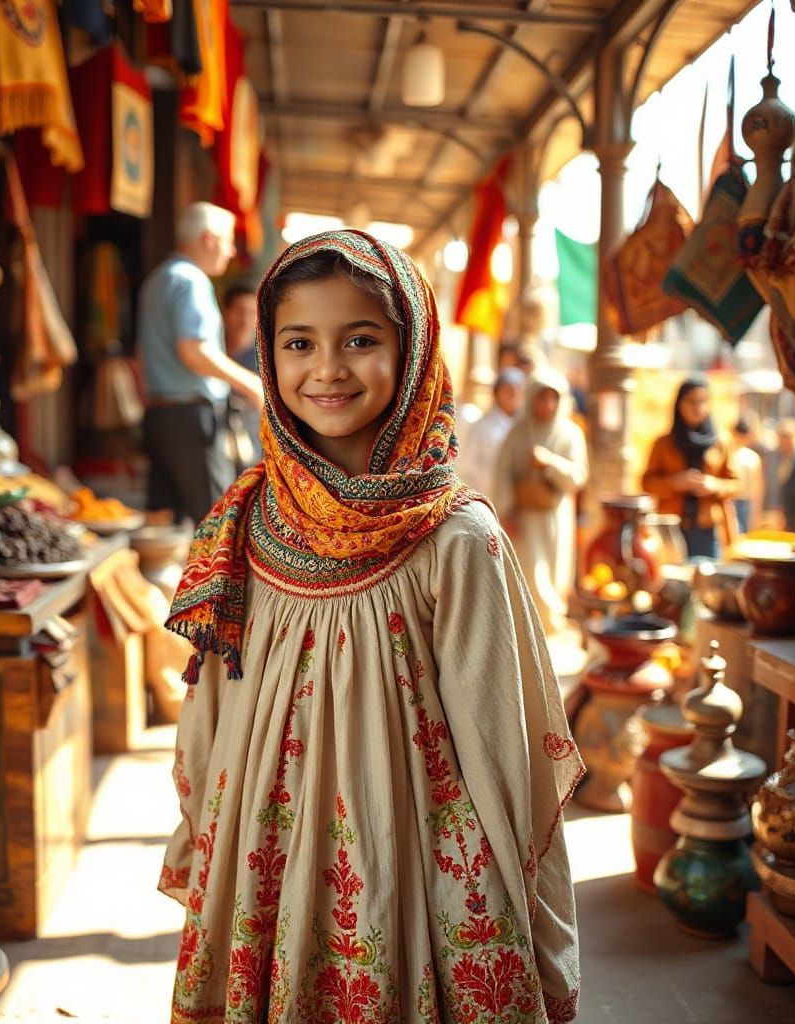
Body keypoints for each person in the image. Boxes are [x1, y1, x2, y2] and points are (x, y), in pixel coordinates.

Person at [159, 231, 582, 1022]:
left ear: (414, 348)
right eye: (299, 342)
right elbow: (211, 708)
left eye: (360, 339)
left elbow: (501, 743)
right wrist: (208, 840)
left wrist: (520, 913)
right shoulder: (243, 523)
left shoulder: (456, 539)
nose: (327, 367)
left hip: (410, 860)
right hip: (263, 853)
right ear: (267, 355)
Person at [137, 202, 264, 524]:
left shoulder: (157, 279)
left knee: (162, 518)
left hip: (159, 412)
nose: (231, 251)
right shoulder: (192, 280)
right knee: (217, 521)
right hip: (192, 416)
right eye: (227, 241)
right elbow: (194, 351)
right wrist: (250, 383)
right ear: (208, 239)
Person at [494, 369, 588, 637]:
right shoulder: (518, 433)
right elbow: (502, 475)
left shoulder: (570, 434)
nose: (547, 406)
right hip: (525, 519)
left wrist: (550, 464)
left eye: (553, 399)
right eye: (541, 398)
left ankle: (551, 630)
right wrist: (506, 513)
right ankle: (532, 631)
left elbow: (578, 477)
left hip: (557, 515)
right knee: (532, 575)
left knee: (557, 573)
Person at [642, 376, 739, 560]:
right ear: (679, 404)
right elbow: (647, 483)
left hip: (707, 529)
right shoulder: (663, 443)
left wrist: (714, 485)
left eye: (703, 402)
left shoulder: (721, 442)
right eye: (691, 402)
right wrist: (675, 483)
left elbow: (737, 484)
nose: (697, 408)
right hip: (671, 526)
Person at [457, 366, 525, 497]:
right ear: (497, 392)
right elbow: (466, 468)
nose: (513, 395)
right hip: (487, 498)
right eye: (508, 390)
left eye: (517, 391)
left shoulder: (522, 427)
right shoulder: (482, 427)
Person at [222, 282, 262, 469]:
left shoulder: (266, 358)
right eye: (239, 311)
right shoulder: (211, 353)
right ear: (225, 313)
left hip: (255, 448)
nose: (245, 320)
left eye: (252, 313)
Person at [729, 415, 764, 534]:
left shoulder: (733, 454)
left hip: (740, 501)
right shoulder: (751, 457)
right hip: (740, 500)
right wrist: (756, 513)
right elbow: (757, 489)